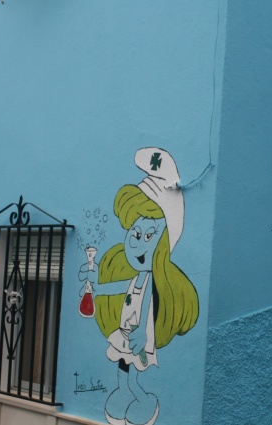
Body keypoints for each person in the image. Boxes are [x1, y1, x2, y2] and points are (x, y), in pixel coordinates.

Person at [79, 148, 199, 425]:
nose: (137, 243)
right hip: (126, 332)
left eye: (149, 235)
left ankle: (144, 400)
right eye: (135, 232)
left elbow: (148, 307)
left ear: (163, 243)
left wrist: (145, 337)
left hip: (138, 335)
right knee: (123, 370)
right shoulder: (136, 277)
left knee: (132, 374)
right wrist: (96, 286)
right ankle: (124, 393)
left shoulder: (154, 282)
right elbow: (118, 288)